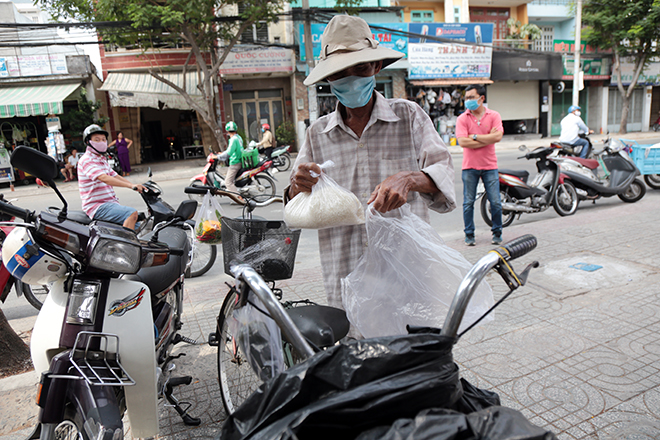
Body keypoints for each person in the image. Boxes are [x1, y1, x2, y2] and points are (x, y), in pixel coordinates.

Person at [287, 15, 456, 312]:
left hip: (407, 274)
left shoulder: (409, 116)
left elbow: (443, 173)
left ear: (376, 67)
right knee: (357, 355)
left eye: (361, 68)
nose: (351, 78)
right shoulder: (317, 135)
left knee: (411, 353)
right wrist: (297, 187)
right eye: (340, 72)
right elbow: (295, 202)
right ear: (329, 78)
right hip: (347, 274)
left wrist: (409, 179)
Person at [456, 84, 504, 247]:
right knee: (468, 202)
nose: (467, 100)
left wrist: (474, 137)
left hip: (490, 166)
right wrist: (486, 138)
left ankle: (497, 232)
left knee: (495, 201)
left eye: (471, 97)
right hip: (469, 167)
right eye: (466, 97)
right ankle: (469, 234)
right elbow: (462, 141)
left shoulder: (494, 115)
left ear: (481, 98)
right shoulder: (462, 118)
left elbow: (497, 137)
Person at [77, 124, 145, 230]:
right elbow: (104, 178)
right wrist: (130, 186)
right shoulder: (86, 160)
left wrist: (133, 185)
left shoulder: (101, 159)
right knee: (132, 214)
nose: (101, 142)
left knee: (138, 227)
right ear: (87, 142)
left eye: (103, 139)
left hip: (110, 203)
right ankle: (127, 246)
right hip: (97, 206)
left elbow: (114, 175)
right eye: (97, 139)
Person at [224, 121, 244, 200]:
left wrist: (218, 156)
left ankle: (238, 198)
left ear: (228, 131)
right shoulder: (238, 137)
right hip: (239, 160)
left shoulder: (233, 139)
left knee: (228, 182)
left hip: (235, 163)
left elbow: (229, 153)